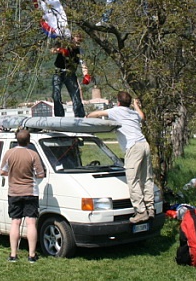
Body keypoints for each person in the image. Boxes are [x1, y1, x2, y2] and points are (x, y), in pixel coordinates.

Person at [87, 91, 155, 223]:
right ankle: (150, 208)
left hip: (133, 147)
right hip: (144, 144)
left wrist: (87, 116)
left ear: (118, 102)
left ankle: (141, 211)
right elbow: (142, 116)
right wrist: (136, 105)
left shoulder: (116, 111)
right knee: (146, 178)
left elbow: (98, 114)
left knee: (133, 180)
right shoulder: (133, 113)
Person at [0, 129, 46, 263]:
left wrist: (13, 175)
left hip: (14, 193)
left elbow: (2, 172)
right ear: (29, 140)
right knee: (31, 223)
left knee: (15, 222)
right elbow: (40, 174)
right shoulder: (33, 154)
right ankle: (31, 255)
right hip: (31, 192)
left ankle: (13, 255)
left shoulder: (9, 153)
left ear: (16, 139)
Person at [51, 33, 91, 118]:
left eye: (80, 41)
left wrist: (86, 75)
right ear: (72, 39)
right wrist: (60, 50)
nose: (78, 42)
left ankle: (80, 116)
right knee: (56, 95)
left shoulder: (80, 51)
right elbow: (52, 50)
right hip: (59, 72)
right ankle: (59, 116)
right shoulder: (64, 45)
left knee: (76, 95)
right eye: (77, 40)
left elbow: (83, 64)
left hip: (70, 73)